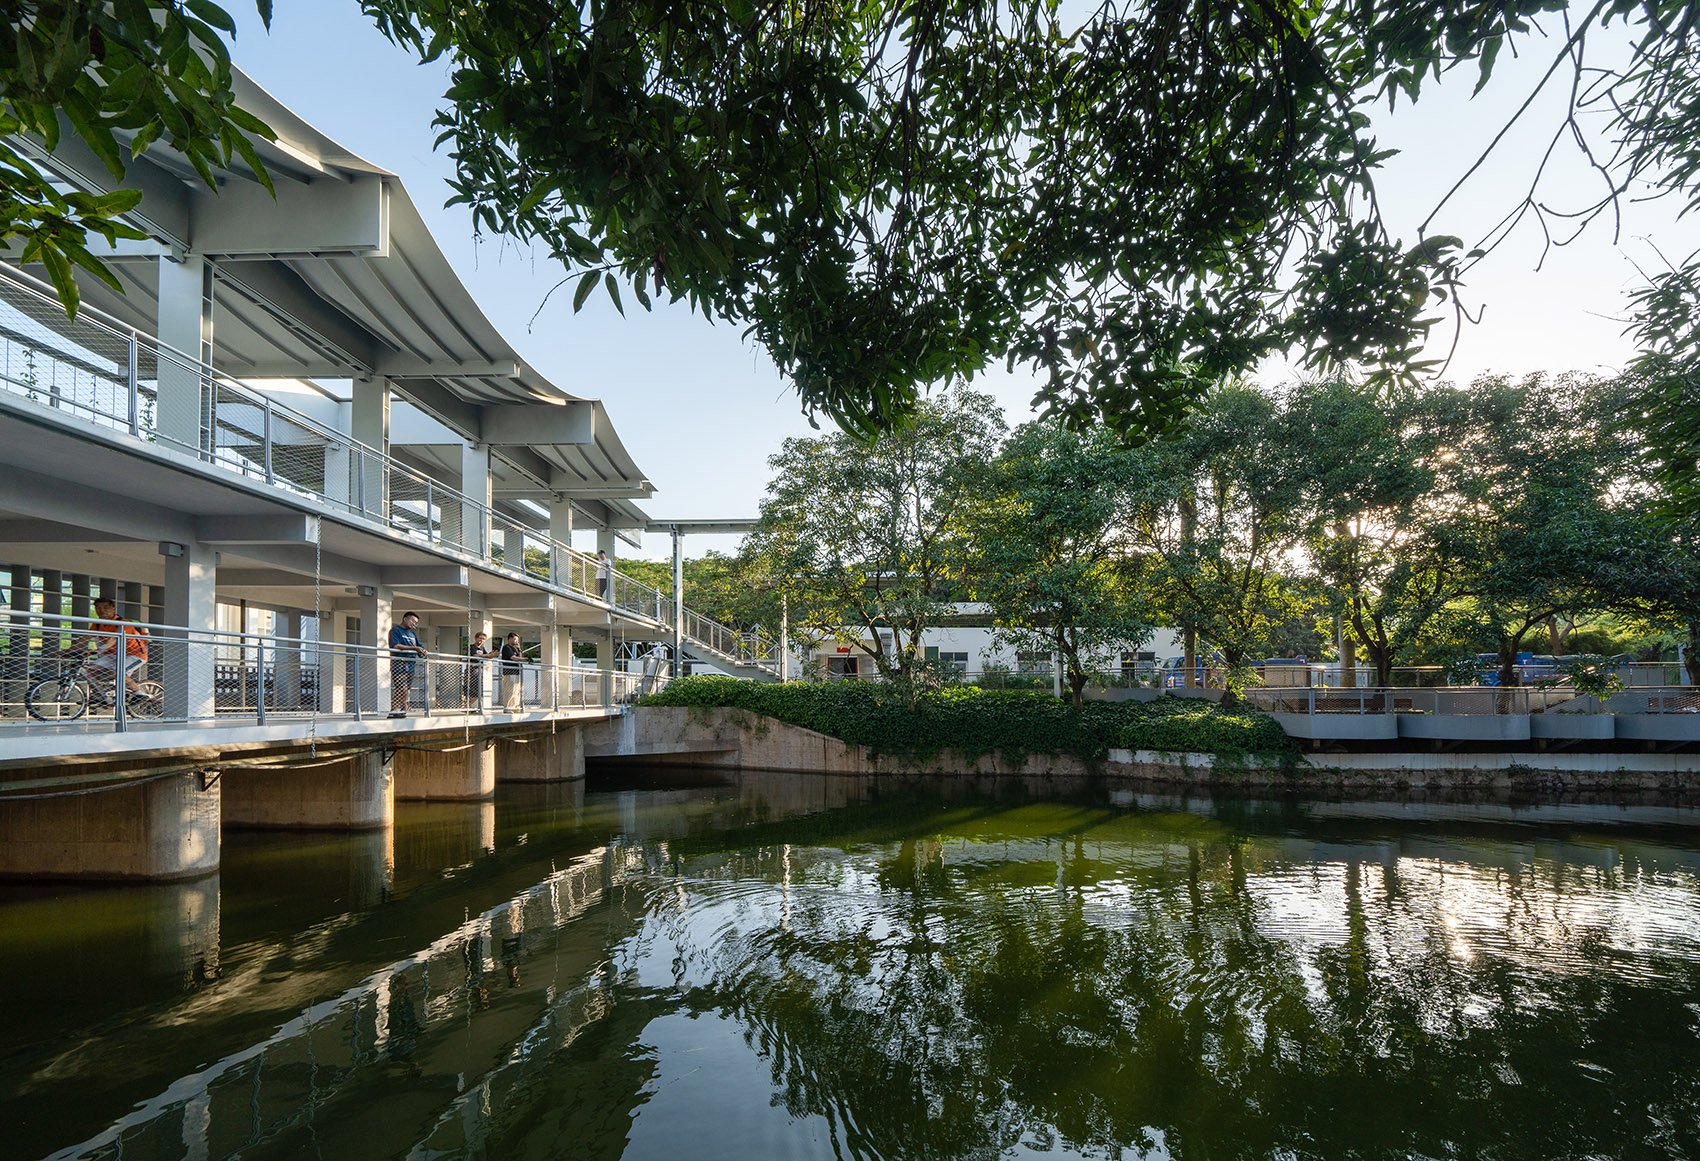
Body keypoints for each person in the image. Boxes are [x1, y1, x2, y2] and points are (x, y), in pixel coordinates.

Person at [80, 597, 147, 704]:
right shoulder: (97, 624)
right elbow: (84, 639)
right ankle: (101, 696)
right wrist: (66, 651)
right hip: (113, 655)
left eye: (106, 608)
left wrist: (100, 650)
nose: (102, 611)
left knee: (117, 672)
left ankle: (139, 693)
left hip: (135, 655)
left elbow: (113, 639)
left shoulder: (123, 623)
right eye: (98, 608)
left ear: (113, 609)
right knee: (89, 669)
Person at [388, 611, 427, 717]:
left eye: (416, 622)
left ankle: (394, 710)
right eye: (413, 621)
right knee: (402, 687)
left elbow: (419, 646)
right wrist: (414, 648)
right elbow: (395, 646)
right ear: (405, 619)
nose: (414, 624)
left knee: (404, 688)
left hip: (410, 665)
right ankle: (404, 706)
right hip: (399, 663)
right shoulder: (395, 630)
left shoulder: (412, 633)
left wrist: (422, 650)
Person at [464, 630, 493, 709]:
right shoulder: (471, 647)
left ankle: (472, 707)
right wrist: (486, 655)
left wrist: (492, 654)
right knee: (471, 690)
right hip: (472, 670)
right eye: (480, 638)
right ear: (476, 638)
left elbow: (487, 655)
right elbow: (476, 655)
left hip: (479, 671)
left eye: (483, 639)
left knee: (478, 690)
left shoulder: (483, 648)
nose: (481, 640)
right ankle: (467, 706)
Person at [500, 632, 526, 710]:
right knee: (510, 689)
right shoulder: (506, 647)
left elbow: (519, 657)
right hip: (509, 671)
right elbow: (513, 658)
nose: (516, 641)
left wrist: (519, 649)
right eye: (514, 639)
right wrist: (526, 659)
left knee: (516, 690)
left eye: (517, 640)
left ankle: (514, 706)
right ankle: (507, 706)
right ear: (510, 639)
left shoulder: (514, 648)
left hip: (516, 671)